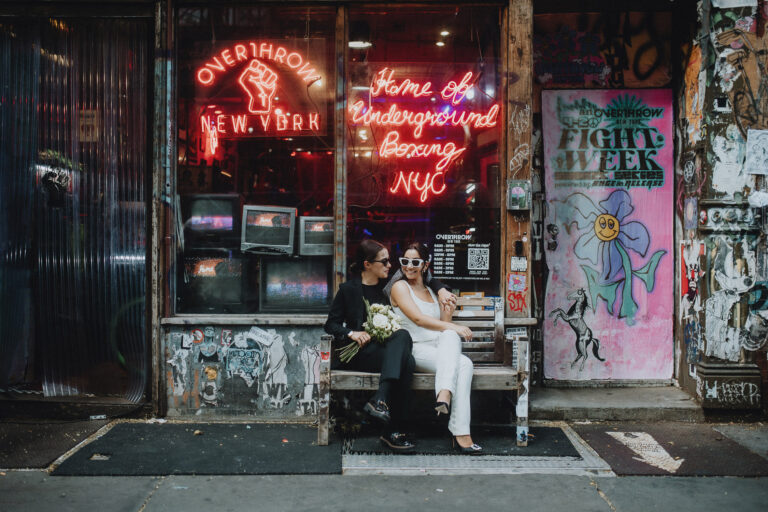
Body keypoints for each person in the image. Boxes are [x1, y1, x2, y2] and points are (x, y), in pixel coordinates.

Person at [324, 239, 456, 452]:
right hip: (358, 353)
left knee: (406, 351)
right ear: (368, 264)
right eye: (384, 261)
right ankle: (393, 430)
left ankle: (381, 401)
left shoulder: (387, 289)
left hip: (383, 352)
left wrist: (440, 289)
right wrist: (352, 332)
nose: (389, 265)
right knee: (406, 360)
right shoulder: (349, 289)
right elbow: (330, 324)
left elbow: (425, 275)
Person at [389, 242, 482, 454]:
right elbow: (418, 319)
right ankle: (460, 432)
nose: (409, 266)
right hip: (415, 348)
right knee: (460, 354)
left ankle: (446, 398)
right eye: (405, 261)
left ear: (425, 265)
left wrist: (447, 311)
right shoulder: (399, 287)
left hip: (439, 347)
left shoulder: (432, 291)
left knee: (462, 358)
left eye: (415, 262)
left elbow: (442, 326)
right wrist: (454, 326)